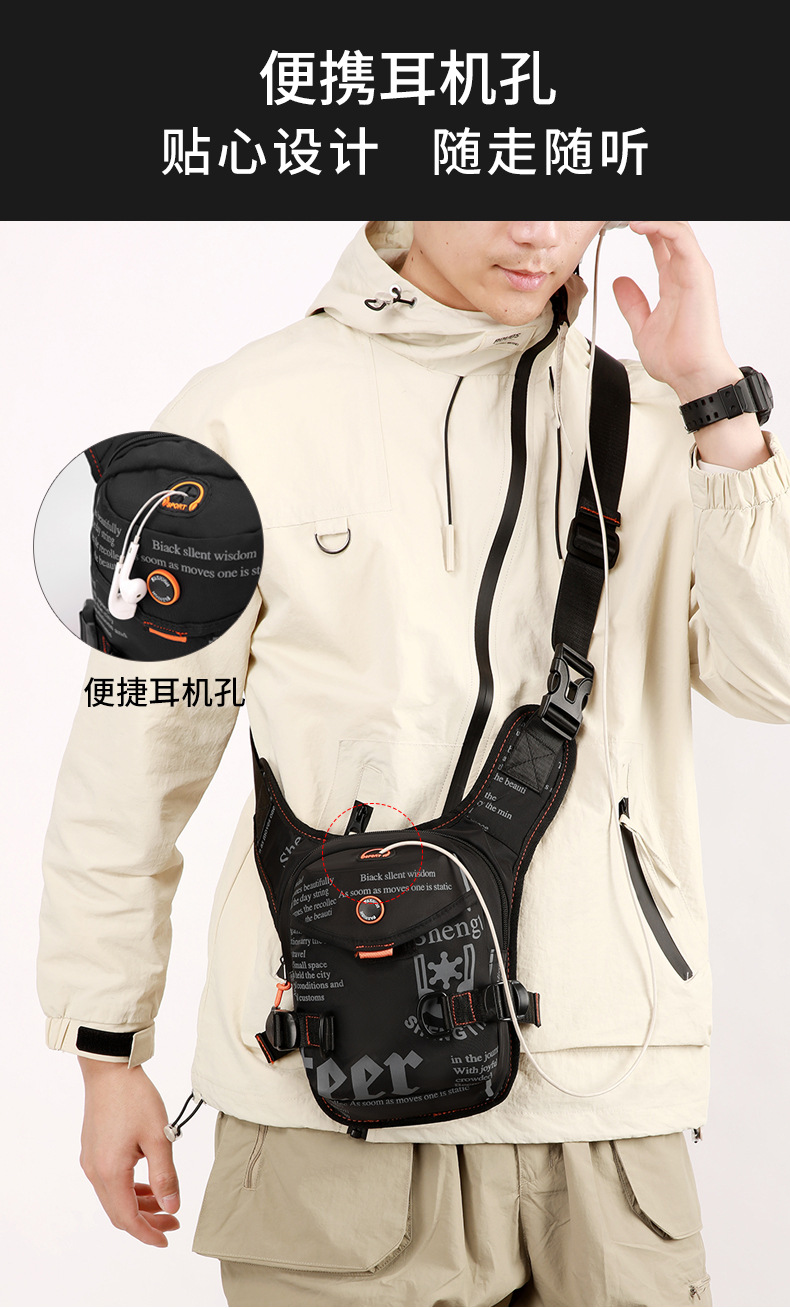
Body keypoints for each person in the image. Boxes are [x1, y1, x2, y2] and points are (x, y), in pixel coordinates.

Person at [38, 221, 790, 1308]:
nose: (537, 231)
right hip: (323, 1104)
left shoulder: (658, 421)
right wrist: (107, 1053)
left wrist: (718, 405)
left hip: (606, 1102)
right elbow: (131, 761)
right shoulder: (243, 415)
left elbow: (773, 681)